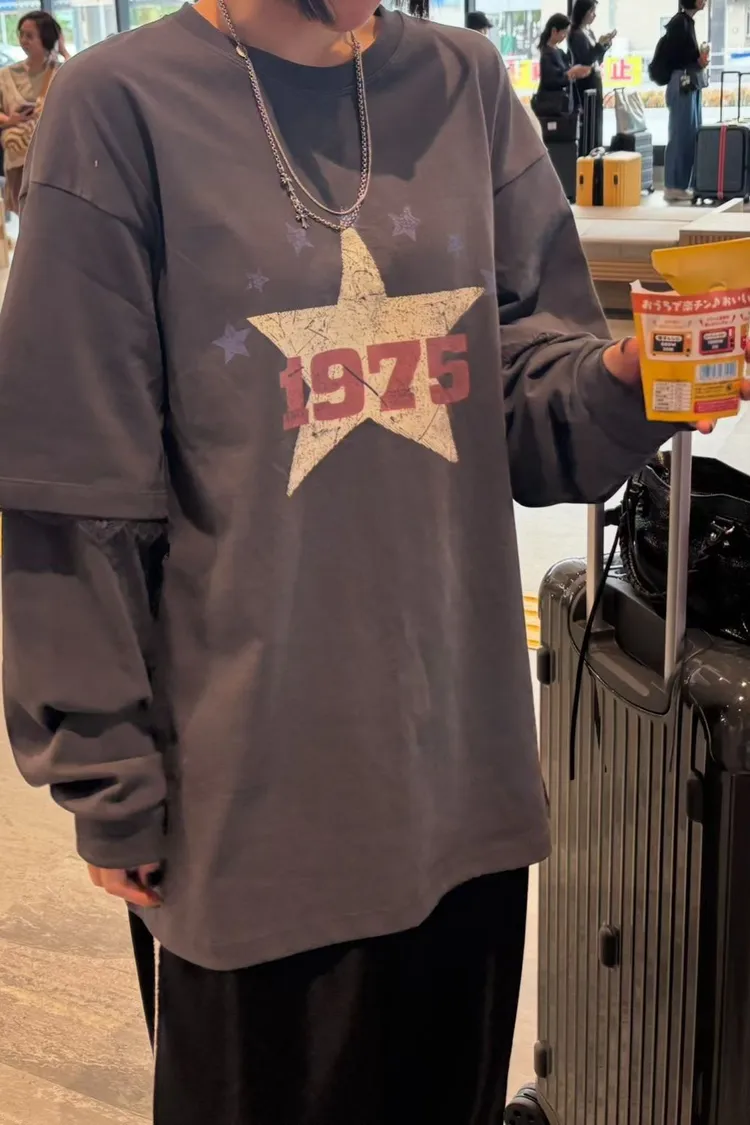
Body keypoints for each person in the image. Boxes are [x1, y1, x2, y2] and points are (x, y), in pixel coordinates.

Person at [0, 1, 745, 1122]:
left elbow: (524, 391)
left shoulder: (465, 84)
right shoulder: (121, 105)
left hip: (461, 783)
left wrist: (628, 381)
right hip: (250, 800)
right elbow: (72, 482)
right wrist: (104, 764)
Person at [0, 10, 67, 214]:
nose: (23, 41)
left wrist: (63, 50)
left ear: (45, 38)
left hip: (53, 159)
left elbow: (80, 92)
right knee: (26, 214)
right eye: (21, 34)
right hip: (18, 160)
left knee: (54, 215)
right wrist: (10, 120)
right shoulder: (6, 75)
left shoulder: (60, 71)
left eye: (29, 36)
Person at [661, 0, 709, 203]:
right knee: (681, 134)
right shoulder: (680, 23)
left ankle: (682, 184)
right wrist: (698, 60)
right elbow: (677, 57)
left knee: (690, 134)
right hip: (682, 82)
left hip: (687, 82)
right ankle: (673, 185)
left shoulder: (686, 22)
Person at [568, 0, 615, 149]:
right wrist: (599, 46)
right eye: (591, 11)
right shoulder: (576, 34)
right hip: (585, 81)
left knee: (597, 119)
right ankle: (588, 153)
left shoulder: (589, 32)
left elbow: (596, 59)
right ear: (583, 12)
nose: (594, 15)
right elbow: (586, 60)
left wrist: (604, 46)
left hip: (595, 78)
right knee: (589, 121)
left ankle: (596, 150)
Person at [534, 12, 591, 117]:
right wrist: (571, 73)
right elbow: (551, 80)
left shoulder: (559, 52)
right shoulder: (547, 54)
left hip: (562, 105)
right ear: (554, 31)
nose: (565, 37)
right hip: (552, 106)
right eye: (564, 32)